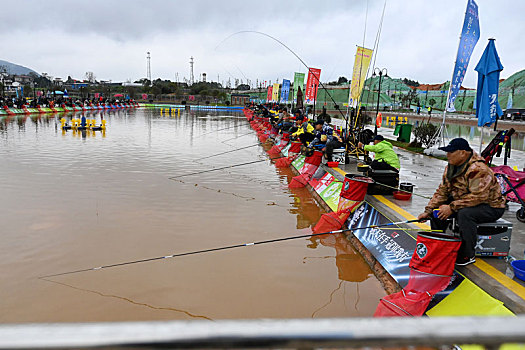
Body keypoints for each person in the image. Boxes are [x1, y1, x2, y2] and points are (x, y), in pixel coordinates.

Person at [417, 138, 506, 266]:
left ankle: (467, 254)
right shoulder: (451, 167)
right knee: (438, 210)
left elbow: (478, 197)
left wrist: (452, 207)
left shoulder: (479, 169)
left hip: (491, 206)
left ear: (463, 153)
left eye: (451, 152)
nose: (448, 155)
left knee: (465, 214)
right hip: (465, 201)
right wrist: (428, 211)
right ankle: (439, 244)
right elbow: (442, 191)